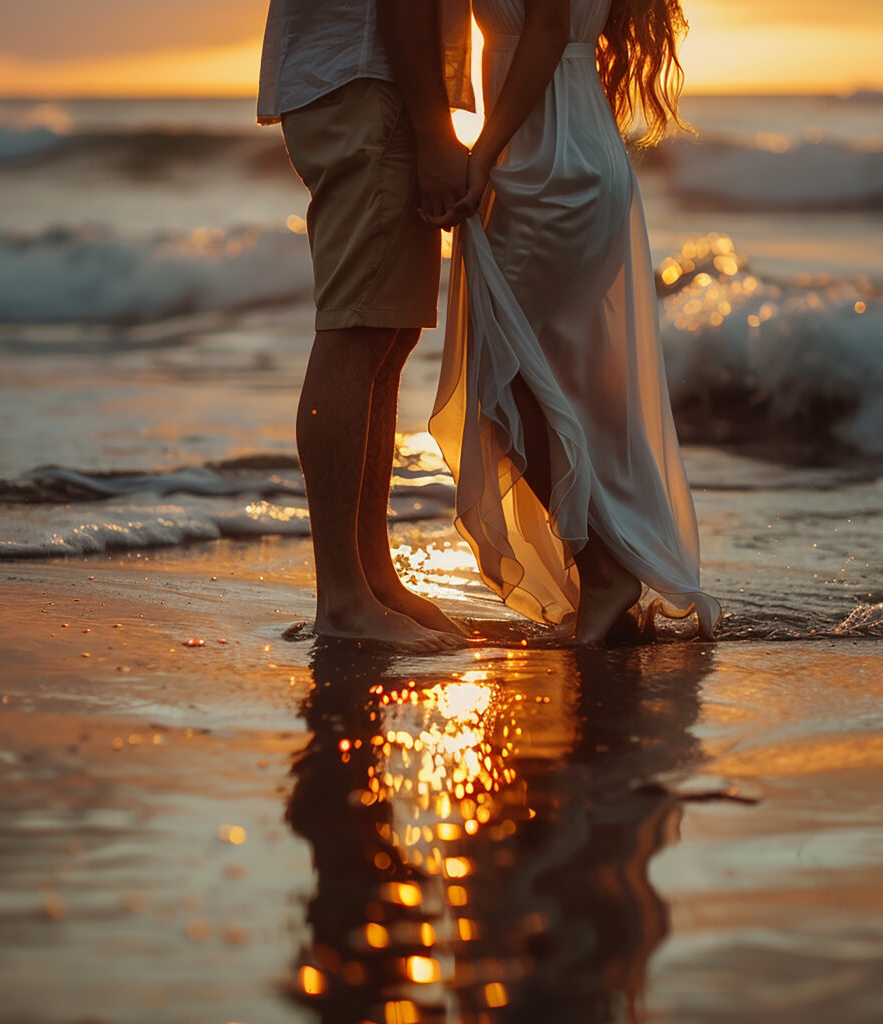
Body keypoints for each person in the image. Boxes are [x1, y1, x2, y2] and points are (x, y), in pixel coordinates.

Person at [427, 0, 722, 643]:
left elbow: (550, 29)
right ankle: (610, 570)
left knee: (501, 383)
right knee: (556, 383)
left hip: (547, 169)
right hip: (567, 152)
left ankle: (608, 571)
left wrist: (483, 151)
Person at [256, 0, 476, 650]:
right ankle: (345, 598)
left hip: (357, 83)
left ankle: (371, 578)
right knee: (358, 330)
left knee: (385, 330)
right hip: (366, 84)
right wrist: (435, 131)